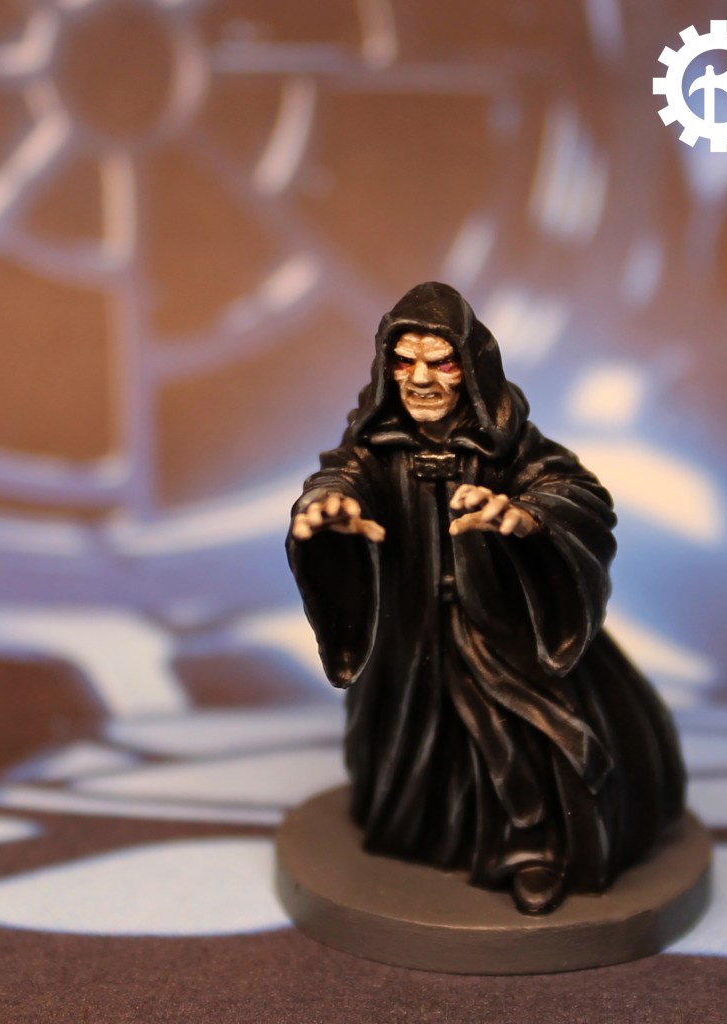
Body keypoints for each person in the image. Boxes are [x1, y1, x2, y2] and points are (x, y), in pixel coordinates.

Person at [287, 282, 686, 914]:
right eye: (404, 362)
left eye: (440, 362)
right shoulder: (375, 441)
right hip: (411, 629)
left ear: (470, 367)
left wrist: (525, 518)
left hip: (498, 625)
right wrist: (327, 507)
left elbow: (574, 494)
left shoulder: (510, 442)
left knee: (521, 736)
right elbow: (340, 476)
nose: (420, 379)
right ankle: (428, 835)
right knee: (414, 744)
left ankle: (534, 849)